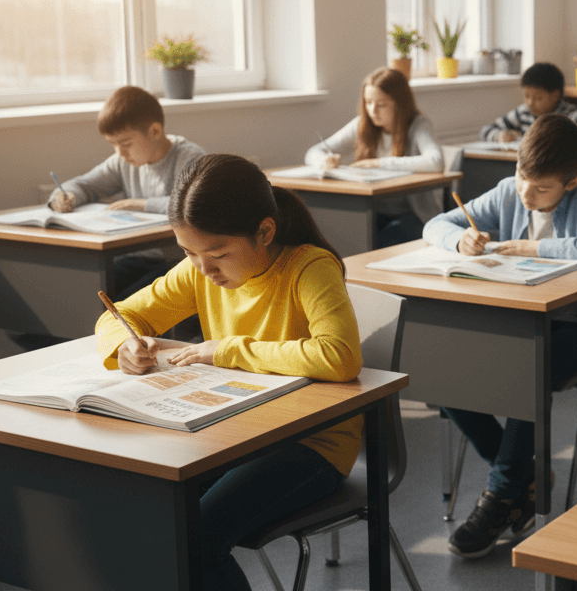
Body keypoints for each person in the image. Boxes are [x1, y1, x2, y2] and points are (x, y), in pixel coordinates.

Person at [95, 154, 362, 591]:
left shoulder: (308, 268)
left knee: (196, 536)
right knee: (149, 511)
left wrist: (227, 350)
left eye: (218, 254)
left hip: (313, 443)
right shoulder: (199, 270)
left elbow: (340, 356)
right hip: (232, 434)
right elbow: (120, 313)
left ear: (265, 232)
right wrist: (124, 344)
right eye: (188, 253)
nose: (204, 268)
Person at [424, 113, 577, 558]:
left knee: (526, 372)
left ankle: (501, 495)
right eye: (522, 178)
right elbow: (435, 225)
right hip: (516, 321)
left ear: (571, 182)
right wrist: (460, 242)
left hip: (576, 330)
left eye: (542, 189)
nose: (526, 194)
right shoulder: (508, 191)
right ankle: (526, 477)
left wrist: (530, 247)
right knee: (438, 369)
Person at [48, 85, 207, 300]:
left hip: (177, 263)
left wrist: (141, 204)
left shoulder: (189, 158)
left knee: (119, 304)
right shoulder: (123, 162)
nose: (120, 153)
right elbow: (85, 184)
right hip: (133, 257)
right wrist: (65, 196)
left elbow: (196, 202)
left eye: (125, 143)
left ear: (155, 131)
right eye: (113, 144)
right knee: (80, 294)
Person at [306, 67, 443, 247]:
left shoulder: (418, 125)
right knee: (339, 237)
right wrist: (324, 161)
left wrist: (379, 163)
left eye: (382, 104)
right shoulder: (362, 125)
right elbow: (313, 152)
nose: (373, 110)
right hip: (373, 213)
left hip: (414, 217)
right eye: (368, 102)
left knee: (375, 242)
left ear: (400, 103)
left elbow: (435, 161)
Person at [480, 62, 577, 148]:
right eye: (527, 96)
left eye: (538, 98)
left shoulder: (569, 115)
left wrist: (562, 142)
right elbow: (485, 130)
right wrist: (500, 136)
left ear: (555, 95)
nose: (530, 103)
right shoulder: (522, 113)